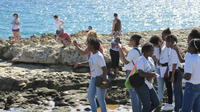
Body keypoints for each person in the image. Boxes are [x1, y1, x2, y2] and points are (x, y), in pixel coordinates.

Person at [74, 38, 107, 112]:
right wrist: (80, 64)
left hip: (100, 78)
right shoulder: (92, 53)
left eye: (88, 44)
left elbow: (104, 69)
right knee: (90, 97)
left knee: (100, 99)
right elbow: (90, 62)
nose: (87, 45)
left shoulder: (99, 56)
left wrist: (104, 81)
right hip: (93, 78)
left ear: (92, 46)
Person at [119, 35, 142, 112]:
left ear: (134, 42)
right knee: (137, 93)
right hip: (137, 72)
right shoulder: (139, 49)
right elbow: (132, 56)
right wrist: (125, 50)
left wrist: (120, 50)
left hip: (131, 73)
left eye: (130, 40)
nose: (129, 41)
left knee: (133, 94)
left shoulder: (133, 51)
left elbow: (125, 61)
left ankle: (136, 110)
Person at [135, 43, 160, 112]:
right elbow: (141, 73)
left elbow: (152, 70)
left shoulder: (150, 59)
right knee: (146, 105)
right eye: (152, 50)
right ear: (146, 51)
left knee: (156, 102)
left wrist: (152, 75)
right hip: (142, 84)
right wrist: (151, 75)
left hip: (149, 84)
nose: (153, 52)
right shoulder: (141, 59)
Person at [166, 35, 183, 112]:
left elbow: (174, 64)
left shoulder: (173, 50)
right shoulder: (175, 49)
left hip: (175, 71)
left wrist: (172, 76)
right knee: (179, 91)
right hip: (177, 71)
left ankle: (177, 108)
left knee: (176, 92)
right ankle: (181, 107)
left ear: (171, 42)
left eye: (167, 41)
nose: (165, 43)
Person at [182, 39, 200, 112]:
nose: (187, 47)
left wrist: (182, 74)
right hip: (199, 86)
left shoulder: (190, 58)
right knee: (197, 109)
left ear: (193, 48)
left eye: (189, 45)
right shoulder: (199, 56)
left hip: (191, 87)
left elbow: (188, 76)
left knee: (186, 109)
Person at [149, 35, 164, 102]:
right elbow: (153, 57)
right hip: (159, 68)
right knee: (160, 85)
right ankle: (159, 99)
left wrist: (157, 61)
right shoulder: (157, 48)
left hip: (161, 68)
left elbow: (153, 57)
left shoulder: (162, 47)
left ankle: (160, 99)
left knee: (162, 85)